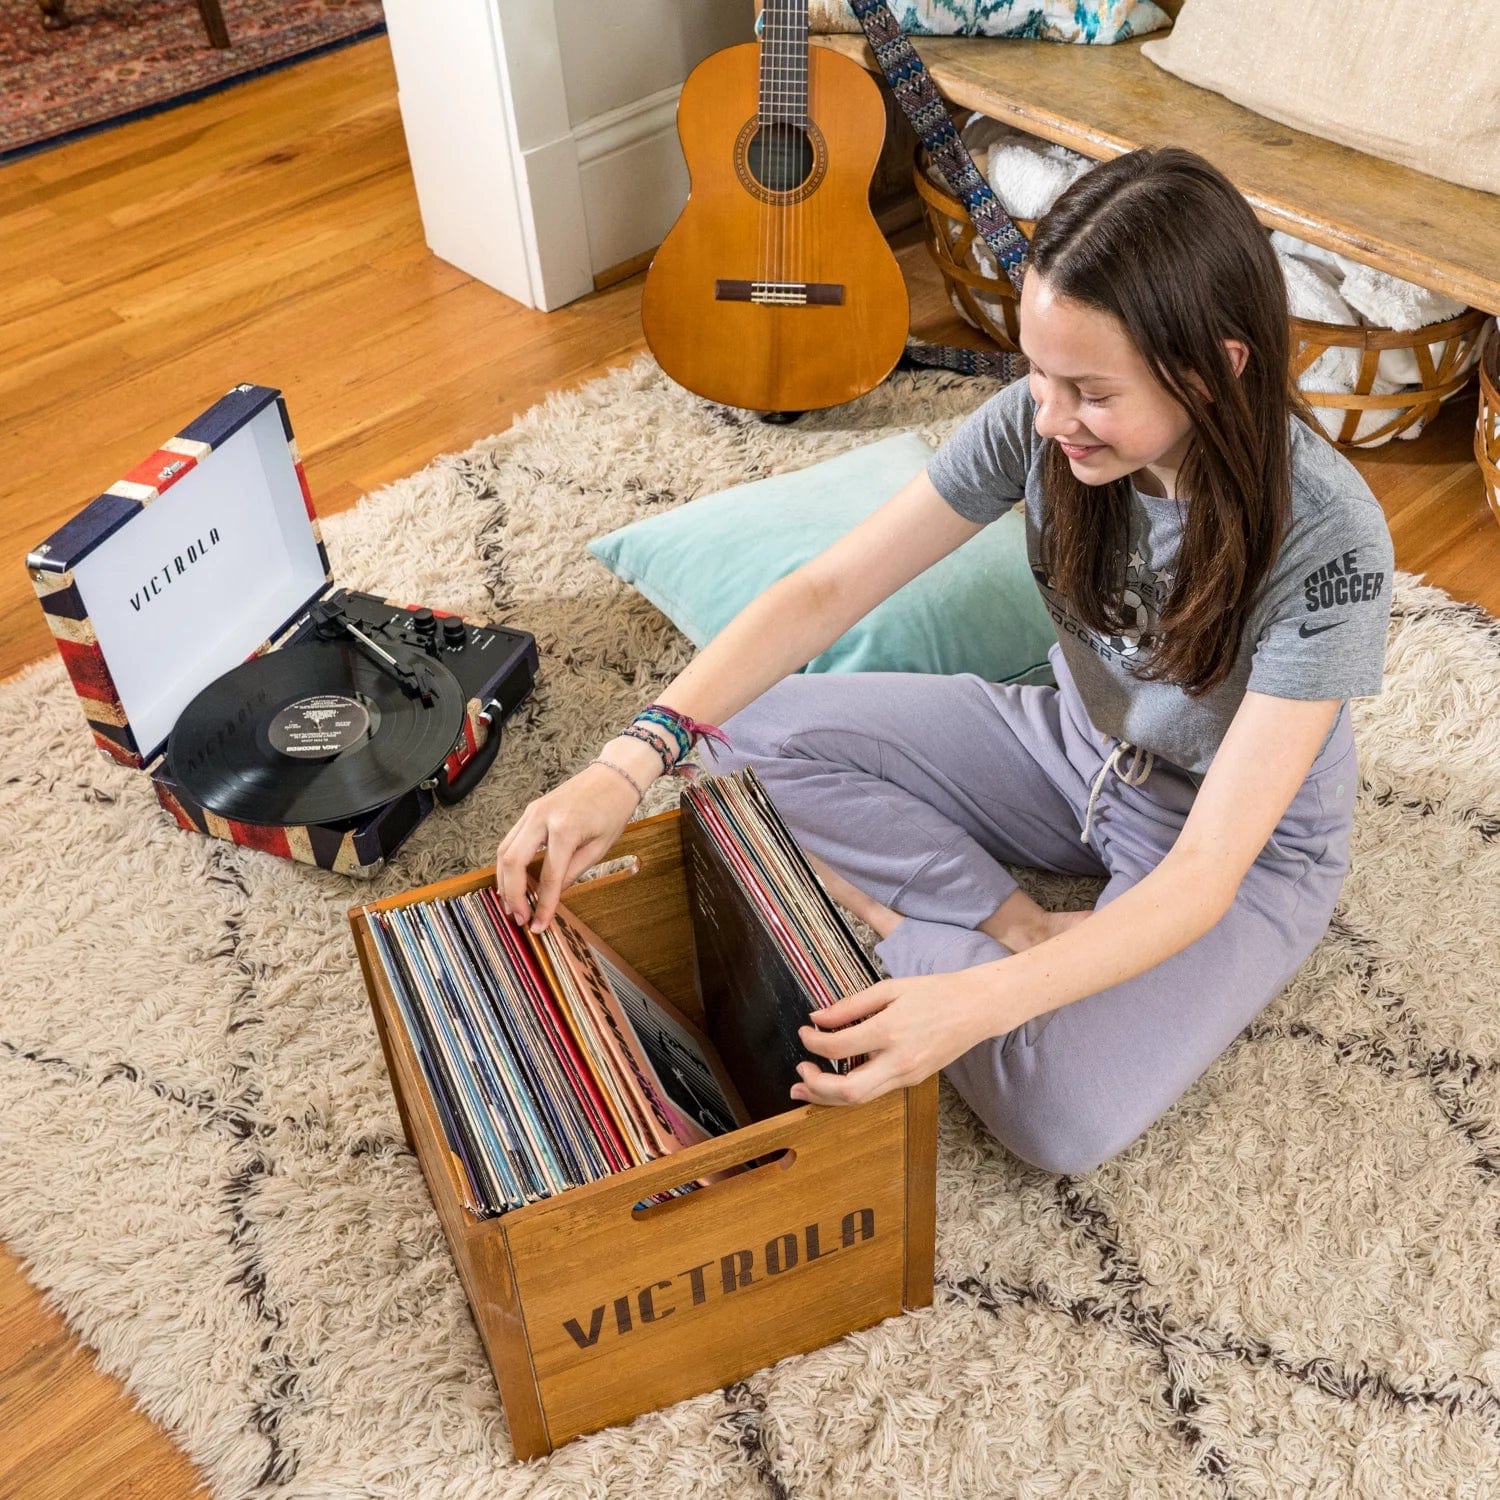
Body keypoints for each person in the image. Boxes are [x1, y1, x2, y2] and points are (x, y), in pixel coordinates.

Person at [495, 147, 1394, 1176]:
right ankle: (1002, 920)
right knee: (732, 735)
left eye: (1090, 391)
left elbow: (1200, 876)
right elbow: (824, 593)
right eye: (1038, 372)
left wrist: (971, 1005)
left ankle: (899, 933)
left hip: (1241, 844)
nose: (1047, 416)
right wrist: (626, 762)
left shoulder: (1331, 540)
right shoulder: (1042, 425)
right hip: (1072, 746)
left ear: (1216, 367)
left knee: (1057, 1116)